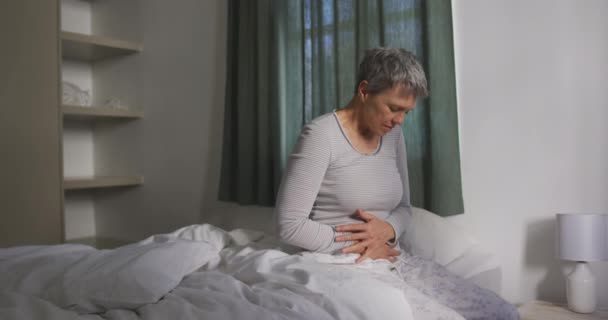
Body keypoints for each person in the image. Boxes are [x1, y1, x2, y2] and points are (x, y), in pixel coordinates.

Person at [274, 47, 519, 320]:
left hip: (392, 258)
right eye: (394, 108)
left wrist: (387, 229)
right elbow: (290, 225)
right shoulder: (320, 135)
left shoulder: (393, 135)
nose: (400, 120)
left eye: (407, 112)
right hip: (340, 263)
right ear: (364, 91)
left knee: (503, 313)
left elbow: (404, 207)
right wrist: (361, 244)